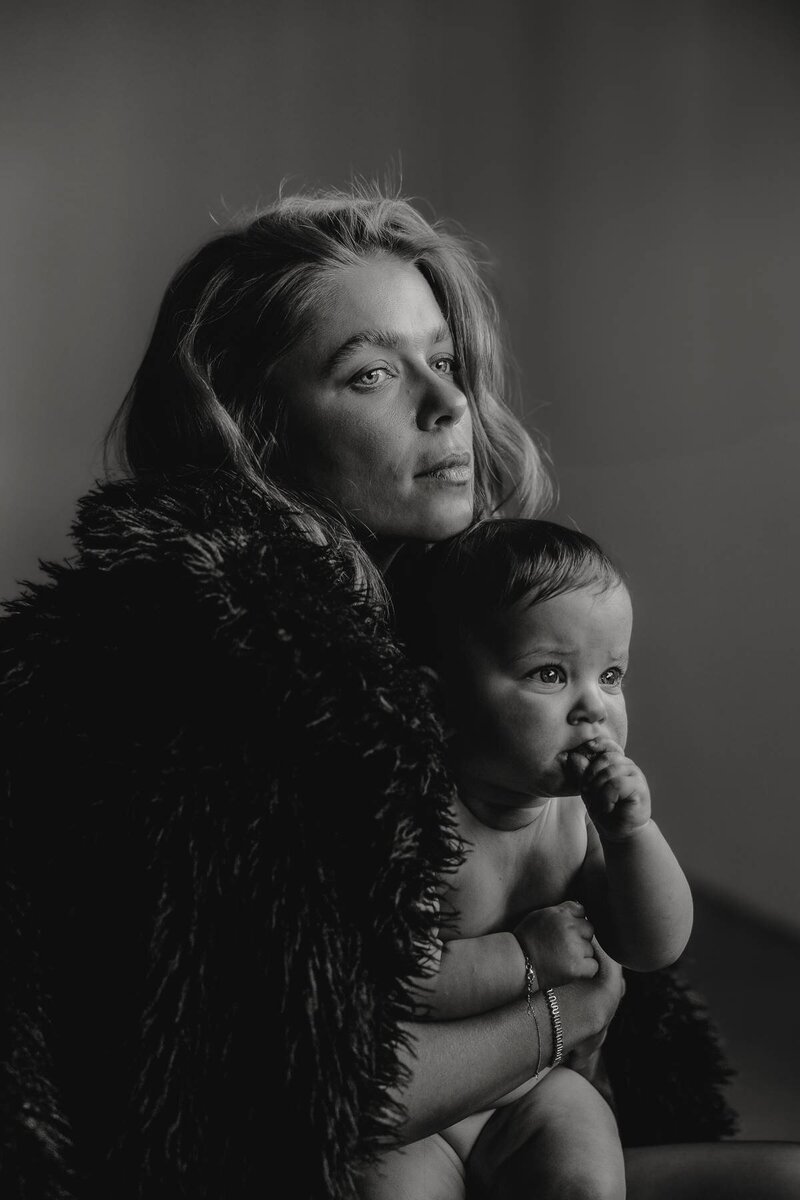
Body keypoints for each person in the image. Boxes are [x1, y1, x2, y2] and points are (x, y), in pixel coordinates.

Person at [1, 186, 798, 1200]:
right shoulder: (211, 680)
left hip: (515, 1112)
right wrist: (556, 1013)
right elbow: (290, 1099)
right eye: (372, 372)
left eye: (444, 360)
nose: (447, 402)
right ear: (250, 427)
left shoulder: (451, 622)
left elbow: (635, 940)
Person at [364, 517, 692, 1198]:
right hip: (427, 1114)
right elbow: (395, 980)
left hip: (539, 1093)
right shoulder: (417, 818)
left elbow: (652, 944)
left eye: (610, 675)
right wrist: (526, 960)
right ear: (438, 702)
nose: (592, 708)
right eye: (550, 674)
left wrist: (634, 837)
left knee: (586, 1175)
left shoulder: (578, 818)